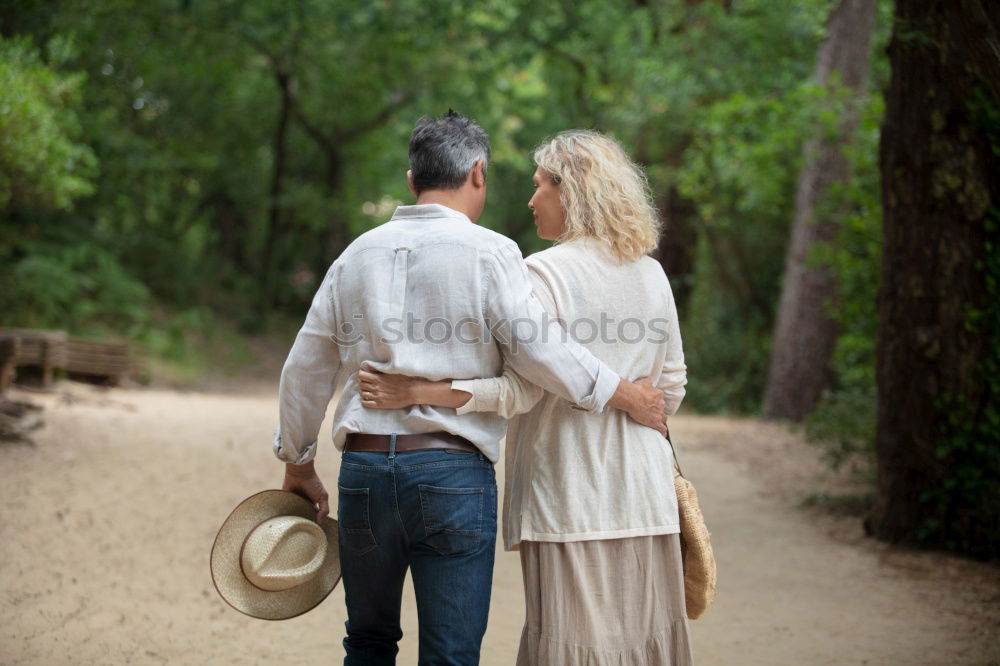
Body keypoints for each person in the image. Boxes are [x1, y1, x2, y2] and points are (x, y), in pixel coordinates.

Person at [274, 112, 670, 665]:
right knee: (451, 655)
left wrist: (297, 462)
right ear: (478, 173)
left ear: (412, 180)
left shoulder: (356, 255)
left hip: (364, 472)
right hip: (450, 473)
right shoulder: (492, 253)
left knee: (366, 641)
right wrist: (624, 393)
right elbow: (540, 353)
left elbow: (306, 366)